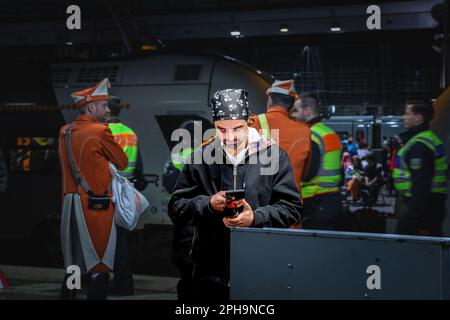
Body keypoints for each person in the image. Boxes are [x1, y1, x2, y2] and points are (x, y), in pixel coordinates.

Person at [168, 89, 302, 301]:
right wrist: (208, 204)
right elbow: (177, 206)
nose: (230, 137)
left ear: (249, 121)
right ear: (214, 126)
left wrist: (255, 218)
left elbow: (292, 207)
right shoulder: (200, 158)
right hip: (208, 270)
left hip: (259, 265)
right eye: (222, 130)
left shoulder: (275, 156)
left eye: (237, 128)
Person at [58, 78, 128, 300]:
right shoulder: (100, 131)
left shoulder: (65, 131)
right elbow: (122, 161)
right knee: (100, 263)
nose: (108, 110)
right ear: (90, 107)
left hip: (69, 203)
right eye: (104, 105)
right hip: (95, 204)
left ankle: (69, 296)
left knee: (74, 262)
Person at [106, 96, 147, 296]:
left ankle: (118, 283)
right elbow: (138, 167)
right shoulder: (130, 133)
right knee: (121, 239)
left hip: (108, 190)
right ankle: (124, 283)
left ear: (106, 109)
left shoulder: (103, 132)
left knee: (108, 241)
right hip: (126, 190)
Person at [393, 100, 448, 236]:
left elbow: (421, 185)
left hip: (422, 212)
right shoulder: (425, 139)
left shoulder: (420, 146)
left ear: (418, 118)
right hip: (429, 208)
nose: (403, 117)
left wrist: (412, 219)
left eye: (407, 113)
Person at [250, 80, 311, 196]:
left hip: (261, 205)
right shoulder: (305, 131)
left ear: (270, 100)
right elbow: (305, 173)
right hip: (292, 205)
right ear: (292, 105)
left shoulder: (254, 123)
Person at [291, 92, 342, 230]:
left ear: (307, 111)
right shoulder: (330, 133)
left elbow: (308, 174)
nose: (293, 115)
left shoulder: (310, 134)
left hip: (316, 204)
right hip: (332, 200)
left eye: (296, 110)